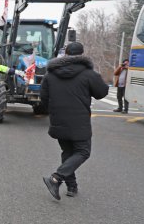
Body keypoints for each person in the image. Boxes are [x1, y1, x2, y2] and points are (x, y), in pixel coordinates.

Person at [40, 42, 108, 200]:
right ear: (82, 54)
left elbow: (43, 99)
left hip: (58, 120)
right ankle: (56, 178)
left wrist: (54, 111)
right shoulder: (88, 74)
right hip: (79, 121)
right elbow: (102, 92)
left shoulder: (50, 74)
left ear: (65, 54)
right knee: (83, 151)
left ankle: (72, 186)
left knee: (68, 152)